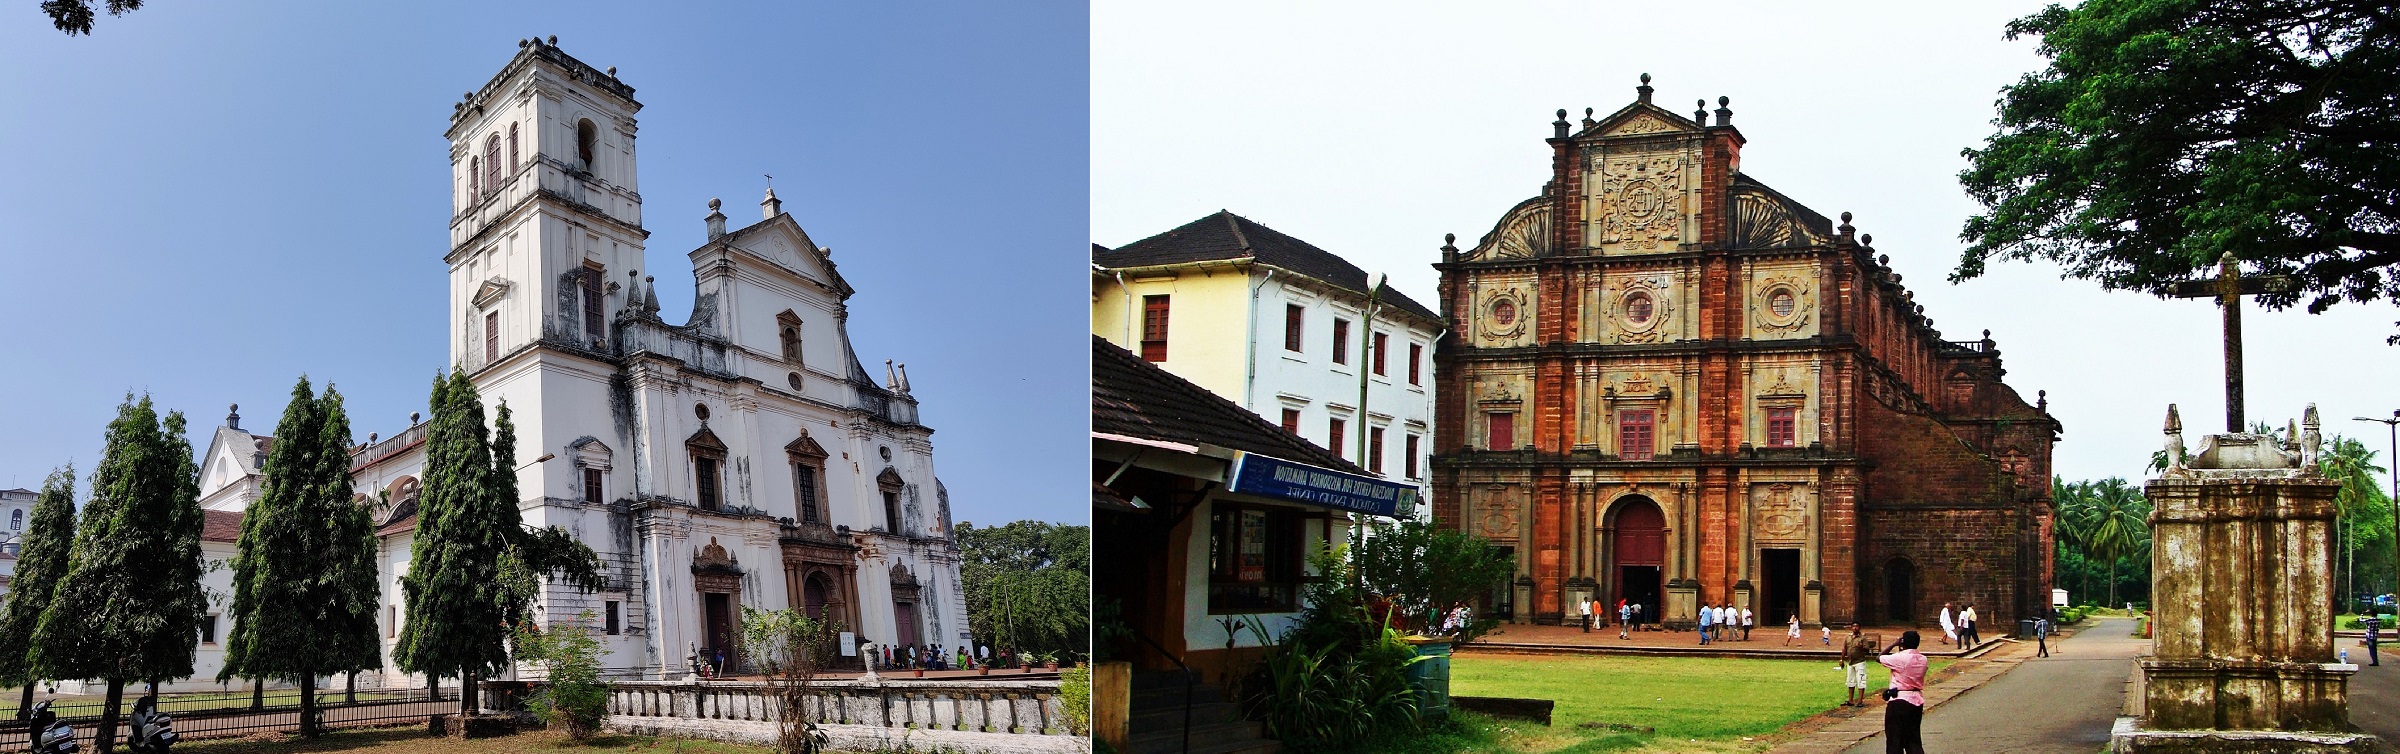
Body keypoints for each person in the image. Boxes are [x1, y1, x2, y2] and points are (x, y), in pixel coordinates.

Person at [1879, 630, 1928, 754]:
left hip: (1899, 701)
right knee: (1913, 739)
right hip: (1916, 700)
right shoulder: (1923, 659)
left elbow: (1879, 657)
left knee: (1894, 739)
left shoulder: (1901, 658)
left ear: (1903, 643)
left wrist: (1894, 644)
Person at [1840, 624, 1874, 708]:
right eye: (1853, 626)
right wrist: (1842, 659)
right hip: (1850, 662)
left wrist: (1861, 647)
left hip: (1860, 662)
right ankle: (1850, 700)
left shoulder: (1862, 638)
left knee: (1861, 680)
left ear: (1859, 628)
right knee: (1850, 680)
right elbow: (1844, 648)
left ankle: (1860, 700)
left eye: (1857, 626)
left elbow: (1867, 649)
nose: (1855, 628)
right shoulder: (1848, 637)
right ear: (1851, 628)